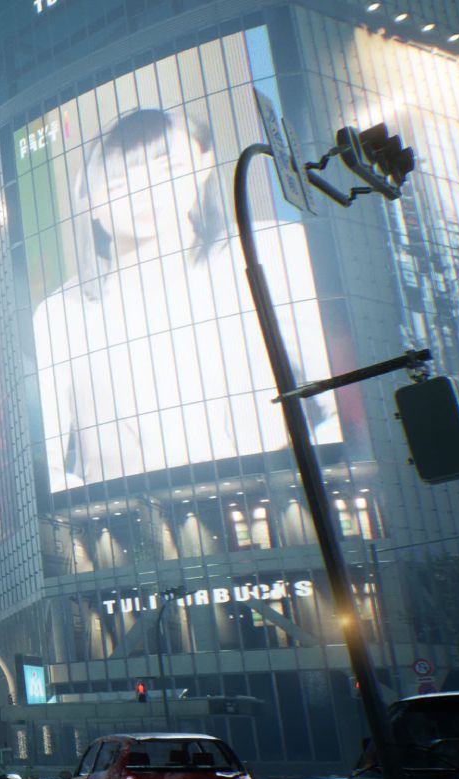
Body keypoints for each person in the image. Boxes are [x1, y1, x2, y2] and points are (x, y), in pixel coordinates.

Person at [31, 105, 338, 493]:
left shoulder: (269, 250)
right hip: (130, 528)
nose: (147, 194)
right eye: (120, 182)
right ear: (88, 198)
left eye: (166, 169)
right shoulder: (60, 315)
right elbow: (45, 463)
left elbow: (340, 399)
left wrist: (307, 476)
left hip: (279, 503)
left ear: (202, 163)